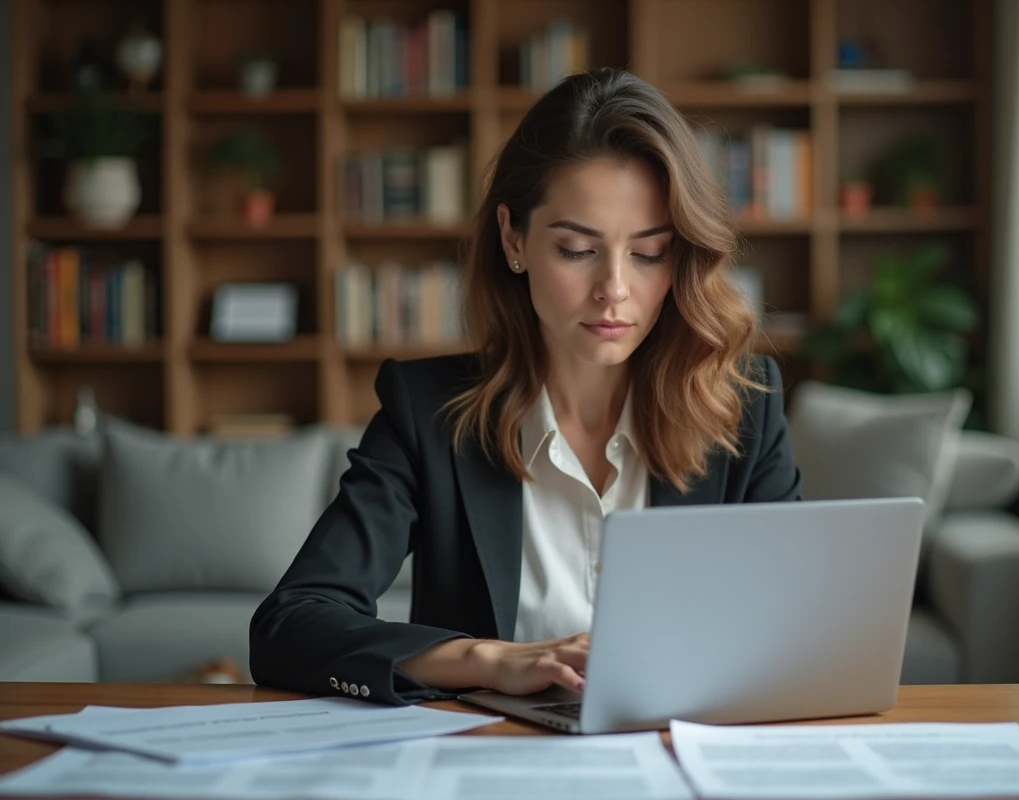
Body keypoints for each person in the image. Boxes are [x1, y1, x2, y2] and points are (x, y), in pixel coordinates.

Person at [249, 68, 802, 706]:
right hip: (489, 760)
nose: (615, 289)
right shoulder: (428, 411)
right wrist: (488, 660)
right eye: (576, 249)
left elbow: (792, 632)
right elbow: (289, 626)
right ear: (514, 238)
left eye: (649, 253)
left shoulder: (745, 405)